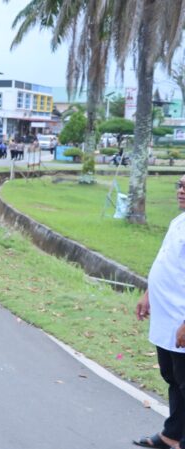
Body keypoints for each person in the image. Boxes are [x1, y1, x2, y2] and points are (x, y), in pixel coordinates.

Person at [133, 174, 185, 449]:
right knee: (172, 377)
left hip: (181, 319)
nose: (181, 191)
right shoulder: (179, 221)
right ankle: (171, 435)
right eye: (180, 185)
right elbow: (167, 261)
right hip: (166, 317)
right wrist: (148, 294)